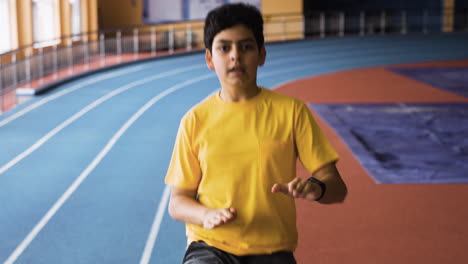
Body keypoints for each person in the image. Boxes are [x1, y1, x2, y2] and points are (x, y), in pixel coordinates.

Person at [165, 3, 348, 264]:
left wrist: (316, 189)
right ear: (209, 58)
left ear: (262, 55)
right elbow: (178, 202)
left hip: (272, 250)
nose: (235, 56)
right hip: (211, 246)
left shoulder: (292, 112)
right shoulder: (194, 120)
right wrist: (205, 215)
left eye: (246, 47)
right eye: (224, 47)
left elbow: (337, 189)